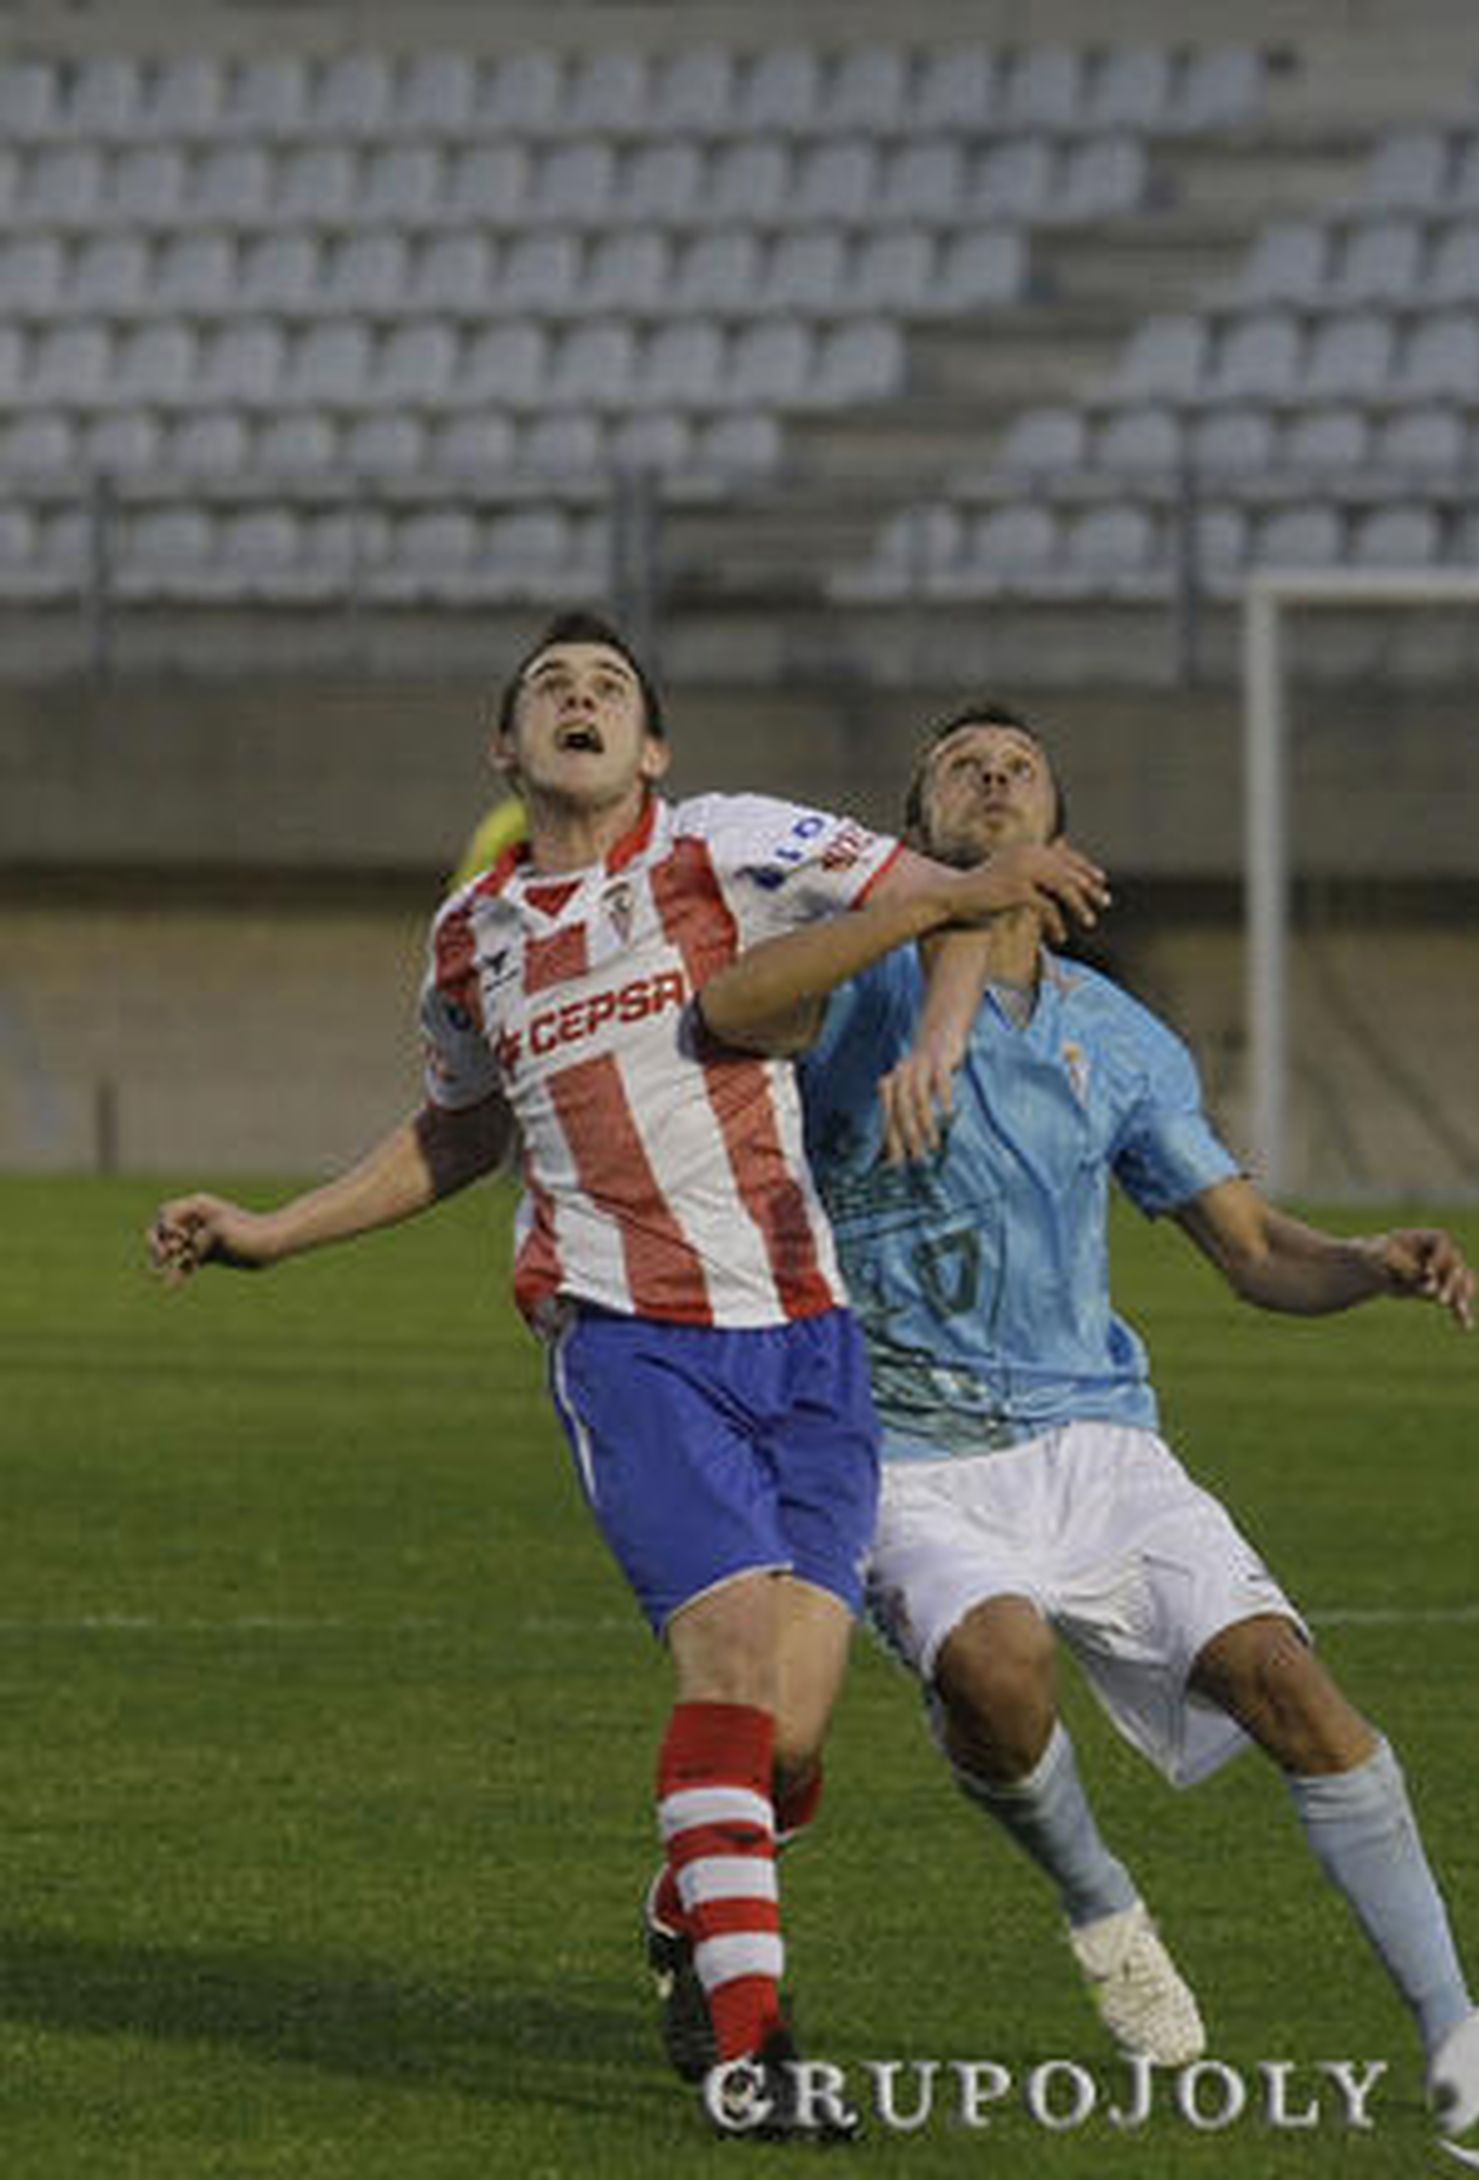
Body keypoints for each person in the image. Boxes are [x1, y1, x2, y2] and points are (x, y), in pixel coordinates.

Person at [145, 623, 1111, 2139]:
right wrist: (278, 1231)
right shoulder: (472, 939)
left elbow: (942, 897)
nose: (579, 698)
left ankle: (686, 1904)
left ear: (653, 748)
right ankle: (755, 2053)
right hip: (628, 1336)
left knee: (788, 1740)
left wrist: (937, 1028)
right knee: (728, 1671)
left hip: (807, 1335)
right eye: (550, 688)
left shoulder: (732, 844)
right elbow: (459, 1131)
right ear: (506, 752)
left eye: (607, 687)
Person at [696, 701, 1479, 2107]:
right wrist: (912, 921)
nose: (991, 775)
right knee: (999, 1661)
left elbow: (1255, 1250)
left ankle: (1458, 2034)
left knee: (1294, 1690)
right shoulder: (851, 996)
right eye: (959, 767)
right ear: (916, 833)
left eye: (1018, 766)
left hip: (1098, 1442)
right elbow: (730, 1011)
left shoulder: (1126, 1042)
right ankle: (1102, 1904)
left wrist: (1369, 1263)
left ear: (1059, 828)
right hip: (907, 1451)